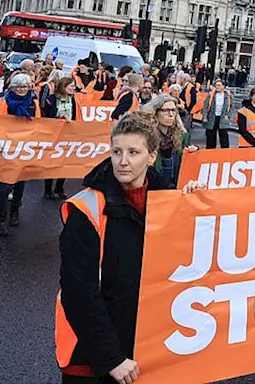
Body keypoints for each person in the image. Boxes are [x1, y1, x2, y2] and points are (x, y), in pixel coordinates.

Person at [56, 114, 196, 384]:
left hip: (143, 350)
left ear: (151, 157)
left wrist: (196, 203)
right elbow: (78, 293)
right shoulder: (85, 209)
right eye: (117, 151)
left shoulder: (167, 199)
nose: (122, 161)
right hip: (92, 359)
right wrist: (111, 358)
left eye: (133, 152)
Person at [0, 73, 41, 236]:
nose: (21, 90)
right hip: (4, 147)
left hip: (24, 148)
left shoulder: (34, 104)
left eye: (24, 87)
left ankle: (14, 212)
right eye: (18, 87)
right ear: (11, 88)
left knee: (19, 184)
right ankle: (1, 219)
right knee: (4, 185)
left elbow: (41, 124)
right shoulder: (1, 102)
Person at [139, 95, 196, 187]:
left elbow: (185, 165)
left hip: (175, 187)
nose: (171, 114)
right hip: (153, 188)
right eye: (165, 110)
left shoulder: (181, 136)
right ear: (155, 112)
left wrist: (192, 153)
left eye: (173, 110)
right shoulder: (145, 137)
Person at [42, 76, 79, 201]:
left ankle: (59, 187)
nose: (74, 88)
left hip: (68, 135)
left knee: (64, 162)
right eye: (71, 86)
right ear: (63, 86)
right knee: (51, 162)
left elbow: (75, 115)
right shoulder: (51, 100)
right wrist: (60, 119)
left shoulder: (72, 99)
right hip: (54, 134)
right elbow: (45, 117)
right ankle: (48, 189)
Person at [201, 79, 236, 148]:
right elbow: (205, 106)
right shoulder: (211, 94)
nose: (217, 87)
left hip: (222, 118)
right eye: (216, 85)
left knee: (224, 138)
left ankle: (224, 154)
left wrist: (228, 116)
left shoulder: (228, 95)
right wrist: (204, 117)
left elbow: (232, 107)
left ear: (223, 86)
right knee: (211, 137)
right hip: (212, 118)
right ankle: (210, 153)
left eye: (219, 85)